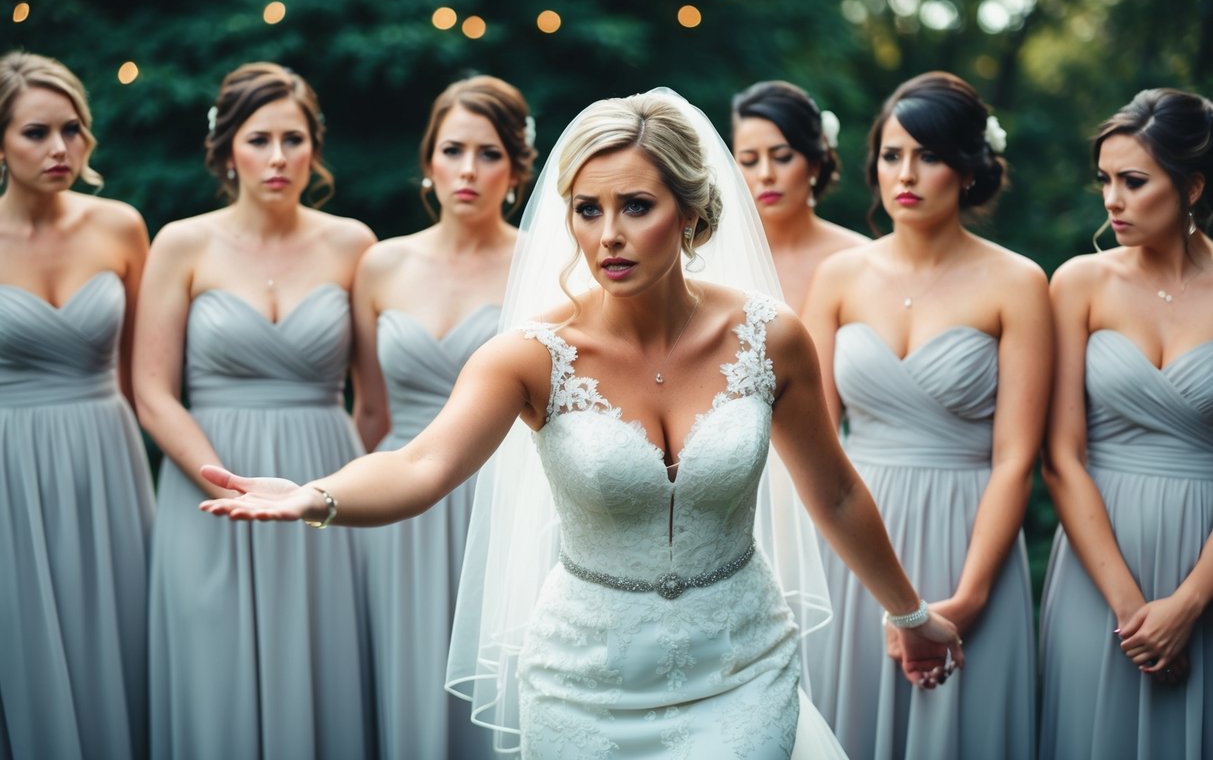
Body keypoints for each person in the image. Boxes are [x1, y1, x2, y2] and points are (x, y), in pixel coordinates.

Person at [198, 88, 964, 759]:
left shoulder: (771, 337)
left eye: (636, 206)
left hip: (740, 665)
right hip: (582, 683)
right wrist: (317, 496)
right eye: (586, 210)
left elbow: (832, 493)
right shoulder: (531, 355)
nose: (608, 236)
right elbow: (418, 465)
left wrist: (909, 612)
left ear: (691, 211)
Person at [134, 62, 377, 758]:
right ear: (226, 147)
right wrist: (225, 479)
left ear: (315, 146)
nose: (278, 158)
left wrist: (335, 488)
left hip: (322, 479)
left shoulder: (354, 244)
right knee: (214, 677)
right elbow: (151, 389)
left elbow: (373, 404)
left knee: (322, 666)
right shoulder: (181, 242)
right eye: (259, 139)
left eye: (294, 140)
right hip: (204, 483)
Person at [801, 71, 1047, 759]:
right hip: (852, 536)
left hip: (968, 532)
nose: (904, 174)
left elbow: (1015, 459)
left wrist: (963, 603)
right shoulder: (839, 278)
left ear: (968, 169)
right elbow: (813, 442)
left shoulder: (1018, 283)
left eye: (929, 156)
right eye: (890, 155)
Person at [350, 74, 535, 758]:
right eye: (453, 150)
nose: (468, 170)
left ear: (516, 168)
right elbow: (369, 406)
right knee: (406, 681)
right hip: (400, 509)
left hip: (504, 497)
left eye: (489, 153)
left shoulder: (543, 267)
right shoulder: (380, 265)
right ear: (428, 160)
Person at [1038, 88, 1213, 759]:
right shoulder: (1078, 283)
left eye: (1133, 182)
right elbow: (1059, 456)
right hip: (1096, 567)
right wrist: (1130, 610)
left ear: (1191, 185)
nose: (1111, 199)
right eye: (1104, 181)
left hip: (1203, 564)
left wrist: (1187, 605)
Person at [0, 51, 154, 760]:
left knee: (121, 635)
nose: (59, 149)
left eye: (72, 130)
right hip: (11, 467)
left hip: (107, 454)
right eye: (36, 132)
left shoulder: (120, 227)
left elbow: (138, 376)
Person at [732, 80, 868, 311]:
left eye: (783, 157)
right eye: (749, 161)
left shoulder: (862, 258)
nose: (765, 174)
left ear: (815, 164)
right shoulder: (711, 257)